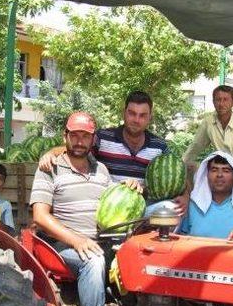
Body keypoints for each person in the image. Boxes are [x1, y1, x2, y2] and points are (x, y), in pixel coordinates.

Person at [31, 111, 139, 306]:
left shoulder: (100, 170)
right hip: (60, 246)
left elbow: (114, 199)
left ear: (93, 139)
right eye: (74, 135)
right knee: (93, 260)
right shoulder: (50, 168)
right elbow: (40, 216)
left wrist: (133, 187)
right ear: (65, 136)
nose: (79, 141)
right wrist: (76, 241)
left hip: (98, 242)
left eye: (85, 136)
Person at [39, 90, 188, 214]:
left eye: (142, 115)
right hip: (109, 206)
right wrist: (52, 152)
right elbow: (79, 147)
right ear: (124, 113)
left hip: (142, 207)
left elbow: (178, 172)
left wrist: (186, 196)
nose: (136, 119)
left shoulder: (159, 146)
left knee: (173, 208)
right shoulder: (104, 138)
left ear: (150, 117)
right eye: (132, 113)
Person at [179, 151, 233, 239]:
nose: (219, 175)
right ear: (206, 175)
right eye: (214, 170)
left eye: (226, 170)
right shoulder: (193, 205)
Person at [182, 85, 233, 167]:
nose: (221, 104)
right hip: (222, 171)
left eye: (225, 100)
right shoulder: (208, 122)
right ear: (213, 102)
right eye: (218, 100)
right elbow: (196, 145)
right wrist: (185, 163)